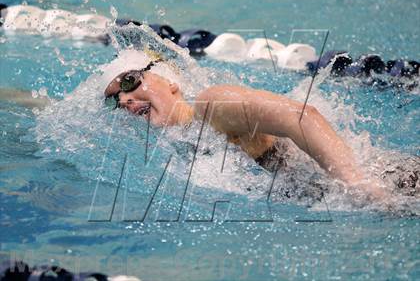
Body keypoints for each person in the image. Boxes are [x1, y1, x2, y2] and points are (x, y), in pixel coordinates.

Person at [104, 56, 390, 199]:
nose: (125, 99)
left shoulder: (209, 104)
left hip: (391, 184)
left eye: (129, 81)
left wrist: (358, 184)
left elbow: (301, 115)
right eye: (115, 100)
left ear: (169, 81)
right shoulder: (185, 141)